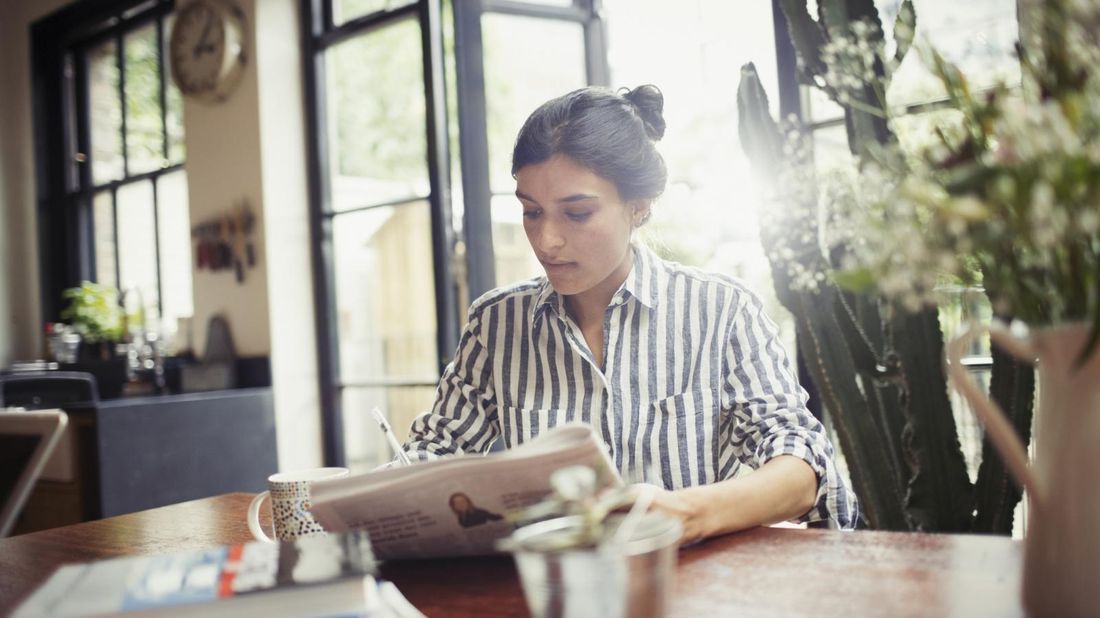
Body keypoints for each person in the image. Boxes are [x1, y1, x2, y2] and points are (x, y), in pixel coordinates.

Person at [403, 85, 858, 541]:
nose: (547, 241)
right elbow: (432, 456)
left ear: (637, 208)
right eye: (531, 212)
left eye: (576, 214)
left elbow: (803, 468)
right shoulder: (496, 324)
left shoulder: (720, 312)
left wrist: (687, 513)